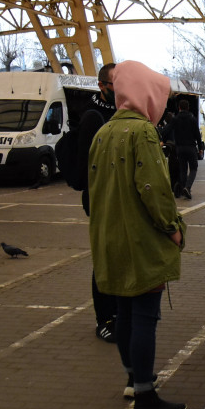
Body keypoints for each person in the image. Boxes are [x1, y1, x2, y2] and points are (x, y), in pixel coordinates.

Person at [87, 60, 187, 409]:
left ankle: (133, 377)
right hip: (141, 239)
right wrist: (173, 227)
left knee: (125, 311)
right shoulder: (142, 133)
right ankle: (145, 399)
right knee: (145, 314)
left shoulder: (104, 132)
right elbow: (154, 190)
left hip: (110, 238)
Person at [77, 62, 118, 343]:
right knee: (105, 258)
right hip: (101, 196)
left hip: (121, 195)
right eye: (116, 83)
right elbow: (89, 162)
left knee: (121, 256)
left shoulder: (124, 111)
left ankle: (119, 312)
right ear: (103, 86)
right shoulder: (93, 115)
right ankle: (104, 318)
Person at [163, 98, 202, 200]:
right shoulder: (192, 119)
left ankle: (181, 188)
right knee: (193, 168)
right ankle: (187, 187)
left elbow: (167, 129)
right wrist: (201, 148)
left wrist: (162, 138)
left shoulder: (175, 119)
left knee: (183, 169)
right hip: (191, 147)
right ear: (188, 108)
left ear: (179, 108)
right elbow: (197, 135)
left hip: (179, 148)